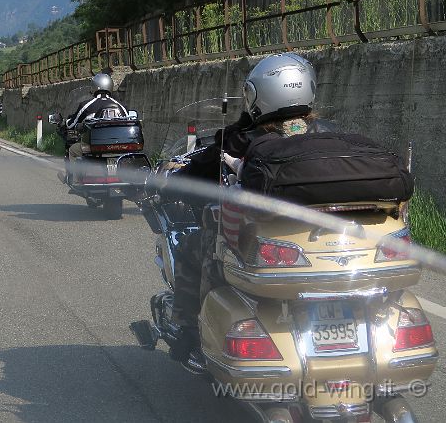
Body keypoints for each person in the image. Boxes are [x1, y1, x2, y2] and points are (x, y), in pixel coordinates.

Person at [169, 52, 333, 368]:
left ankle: (188, 330)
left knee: (189, 247)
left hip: (267, 242)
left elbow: (199, 171)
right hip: (323, 242)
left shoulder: (245, 140)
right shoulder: (329, 133)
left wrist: (175, 176)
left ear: (258, 95)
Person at [62, 72, 130, 162]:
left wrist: (65, 122)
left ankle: (75, 176)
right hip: (117, 147)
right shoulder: (121, 106)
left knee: (73, 151)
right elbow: (128, 123)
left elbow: (71, 124)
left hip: (93, 147)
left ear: (94, 86)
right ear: (110, 86)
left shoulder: (86, 105)